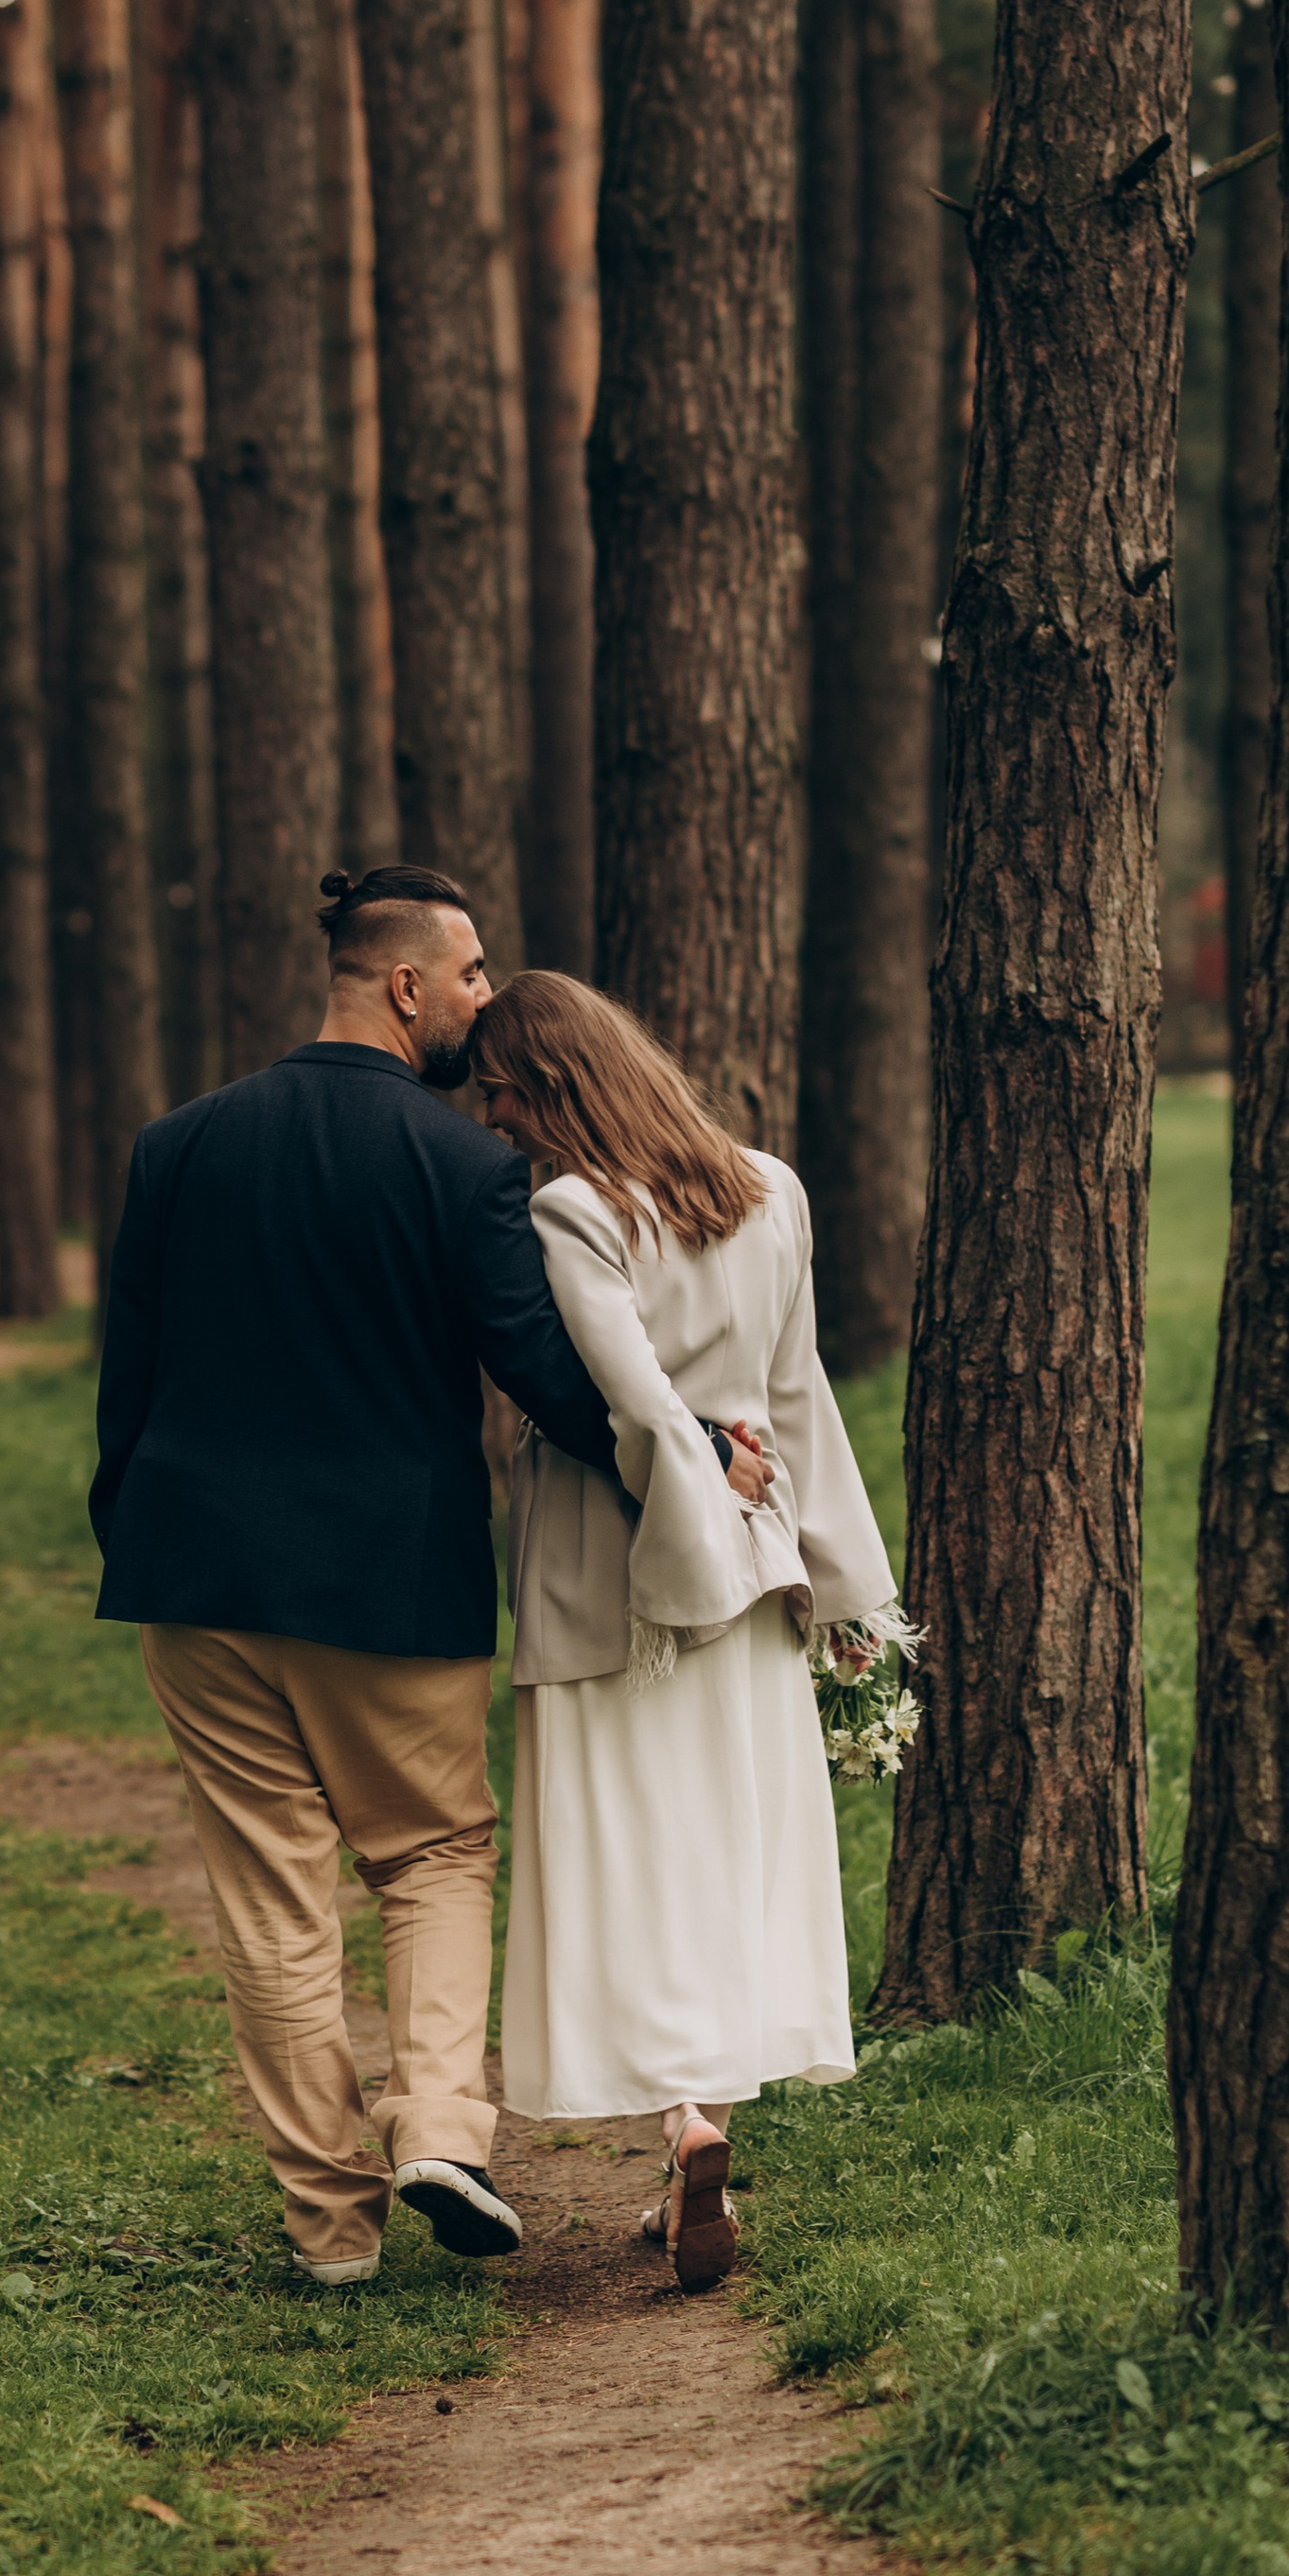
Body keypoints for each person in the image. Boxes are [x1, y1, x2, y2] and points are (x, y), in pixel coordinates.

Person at [90, 865, 766, 2287]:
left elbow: (128, 1380)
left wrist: (131, 1528)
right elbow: (547, 1374)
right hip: (391, 1586)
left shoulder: (177, 1145)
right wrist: (700, 1453)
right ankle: (445, 2134)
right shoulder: (464, 1169)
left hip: (195, 1576)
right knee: (432, 1856)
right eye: (468, 976)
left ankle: (331, 2227)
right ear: (405, 985)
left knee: (272, 1904)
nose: (482, 998)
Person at [470, 967, 905, 2293]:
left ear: (548, 1085)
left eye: (499, 1096)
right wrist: (849, 1585)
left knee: (626, 1853)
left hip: (624, 1575)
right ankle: (698, 2137)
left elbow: (640, 1404)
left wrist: (694, 1517)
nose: (492, 1121)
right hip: (758, 1570)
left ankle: (682, 2124)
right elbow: (799, 1394)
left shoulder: (571, 1209)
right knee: (726, 1850)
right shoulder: (773, 1189)